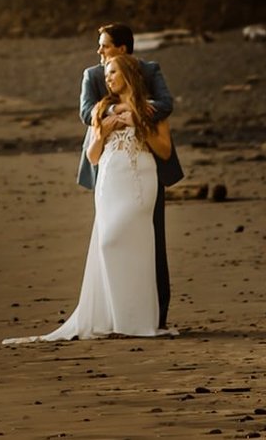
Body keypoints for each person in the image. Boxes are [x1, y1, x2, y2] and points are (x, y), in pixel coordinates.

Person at [7, 44, 172, 341]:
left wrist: (139, 123)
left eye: (112, 72)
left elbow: (164, 149)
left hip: (139, 178)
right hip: (110, 180)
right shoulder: (100, 108)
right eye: (106, 74)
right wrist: (106, 129)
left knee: (137, 244)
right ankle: (114, 318)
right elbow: (93, 155)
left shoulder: (149, 109)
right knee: (108, 243)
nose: (107, 78)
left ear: (128, 74)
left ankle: (138, 320)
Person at [81, 22, 181, 329]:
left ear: (122, 49)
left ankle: (155, 316)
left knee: (153, 244)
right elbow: (87, 113)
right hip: (110, 169)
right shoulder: (93, 76)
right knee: (110, 240)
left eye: (105, 45)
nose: (99, 52)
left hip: (144, 168)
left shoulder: (149, 70)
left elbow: (165, 105)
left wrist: (136, 114)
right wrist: (110, 116)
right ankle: (115, 314)